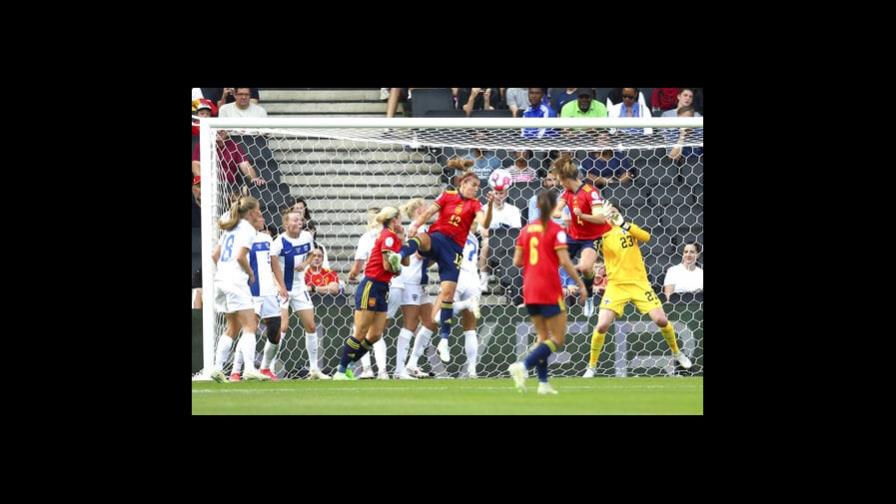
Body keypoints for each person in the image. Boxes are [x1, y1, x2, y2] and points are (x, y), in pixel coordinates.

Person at [398, 160, 495, 363]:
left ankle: (444, 340)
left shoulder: (475, 204)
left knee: (448, 294)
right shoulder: (447, 195)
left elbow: (485, 222)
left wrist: (492, 204)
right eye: (473, 185)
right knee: (423, 238)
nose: (476, 189)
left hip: (454, 251)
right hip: (438, 239)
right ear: (462, 184)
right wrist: (416, 224)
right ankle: (398, 255)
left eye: (478, 186)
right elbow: (429, 212)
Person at [582, 205, 693, 377]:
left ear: (618, 213)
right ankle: (591, 366)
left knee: (661, 320)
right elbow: (589, 254)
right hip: (616, 285)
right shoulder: (601, 235)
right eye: (606, 213)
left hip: (639, 283)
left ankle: (677, 352)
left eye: (614, 212)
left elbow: (646, 237)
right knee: (602, 325)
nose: (610, 215)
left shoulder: (628, 228)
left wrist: (624, 224)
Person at [508, 190, 588, 394]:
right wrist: (580, 283)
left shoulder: (525, 230)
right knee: (558, 338)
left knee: (543, 337)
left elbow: (517, 262)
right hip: (549, 288)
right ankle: (523, 366)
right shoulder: (556, 230)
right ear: (554, 208)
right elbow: (565, 261)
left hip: (529, 288)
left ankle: (543, 383)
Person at [333, 208, 405, 380]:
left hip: (383, 287)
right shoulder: (387, 236)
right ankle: (340, 371)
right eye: (400, 220)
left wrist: (402, 240)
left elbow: (405, 261)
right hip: (371, 285)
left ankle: (348, 365)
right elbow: (388, 266)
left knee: (375, 334)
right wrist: (397, 267)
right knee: (360, 331)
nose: (402, 223)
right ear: (393, 220)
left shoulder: (395, 238)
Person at [208, 195, 270, 382]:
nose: (260, 213)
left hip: (221, 279)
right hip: (235, 280)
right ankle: (250, 368)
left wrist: (225, 273)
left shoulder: (230, 227)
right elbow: (240, 257)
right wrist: (250, 274)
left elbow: (215, 255)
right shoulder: (248, 230)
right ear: (251, 213)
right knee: (250, 325)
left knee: (232, 327)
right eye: (258, 210)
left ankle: (217, 369)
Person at [270, 210, 330, 379]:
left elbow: (312, 254)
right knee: (282, 327)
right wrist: (280, 286)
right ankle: (270, 367)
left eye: (300, 220)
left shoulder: (306, 237)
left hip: (299, 287)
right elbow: (272, 266)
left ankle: (314, 369)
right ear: (286, 224)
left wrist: (305, 263)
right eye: (295, 220)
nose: (299, 222)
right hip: (282, 288)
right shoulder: (279, 242)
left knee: (311, 326)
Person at [550, 156, 613, 316]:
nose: (559, 183)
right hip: (573, 235)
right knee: (551, 262)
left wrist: (582, 215)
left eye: (559, 179)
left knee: (585, 267)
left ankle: (590, 297)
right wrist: (558, 214)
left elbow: (601, 219)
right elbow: (557, 210)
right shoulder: (567, 193)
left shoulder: (591, 193)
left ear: (565, 178)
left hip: (592, 236)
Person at [230, 214, 289, 381]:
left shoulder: (267, 238)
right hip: (251, 291)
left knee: (275, 331)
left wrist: (281, 285)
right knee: (250, 329)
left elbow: (273, 263)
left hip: (269, 291)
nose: (263, 219)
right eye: (260, 217)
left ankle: (265, 368)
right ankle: (235, 371)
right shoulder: (241, 238)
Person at [390, 198, 437, 379]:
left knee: (431, 320)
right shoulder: (416, 229)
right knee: (410, 324)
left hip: (420, 282)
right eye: (426, 208)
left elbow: (426, 259)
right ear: (419, 212)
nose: (429, 210)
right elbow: (418, 252)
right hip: (409, 281)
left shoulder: (422, 229)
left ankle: (412, 364)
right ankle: (399, 369)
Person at [348, 207, 390, 379]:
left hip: (371, 285)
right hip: (389, 286)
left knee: (360, 329)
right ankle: (383, 370)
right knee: (377, 331)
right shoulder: (390, 237)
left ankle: (365, 369)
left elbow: (358, 266)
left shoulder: (367, 237)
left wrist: (351, 275)